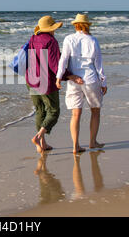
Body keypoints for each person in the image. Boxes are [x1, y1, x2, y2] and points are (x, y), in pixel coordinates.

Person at [26, 15, 83, 154]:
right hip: (45, 81)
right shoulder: (51, 41)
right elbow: (54, 64)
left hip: (31, 78)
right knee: (53, 111)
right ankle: (38, 137)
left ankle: (42, 144)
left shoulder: (33, 38)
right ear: (51, 29)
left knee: (40, 111)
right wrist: (69, 75)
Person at [56, 13, 107, 154]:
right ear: (87, 25)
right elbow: (98, 64)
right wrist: (104, 81)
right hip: (91, 79)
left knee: (75, 114)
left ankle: (75, 146)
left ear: (75, 25)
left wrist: (59, 77)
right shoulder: (93, 40)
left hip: (74, 80)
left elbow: (63, 60)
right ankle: (92, 142)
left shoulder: (69, 39)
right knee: (95, 111)